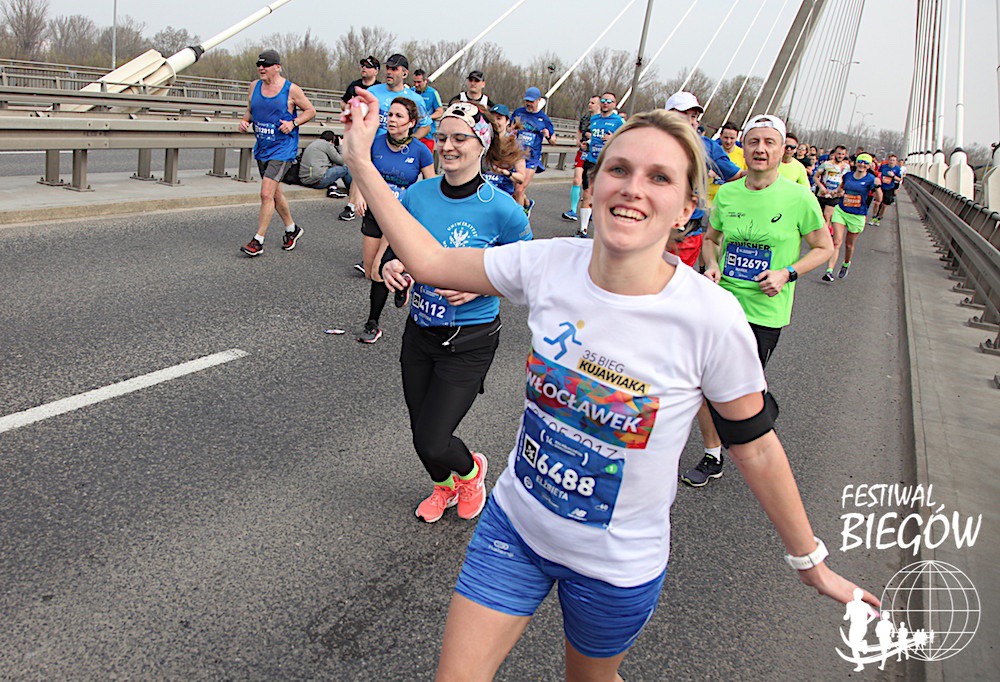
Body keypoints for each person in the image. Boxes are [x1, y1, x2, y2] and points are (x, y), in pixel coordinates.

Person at [341, 96, 878, 680]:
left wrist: (809, 560)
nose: (633, 188)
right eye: (619, 169)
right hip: (514, 528)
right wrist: (361, 161)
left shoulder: (711, 317)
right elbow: (429, 261)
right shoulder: (549, 264)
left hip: (614, 567)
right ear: (594, 187)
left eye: (660, 178)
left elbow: (756, 447)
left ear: (687, 209)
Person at [366, 99, 531, 523]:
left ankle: (471, 474)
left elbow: (526, 271)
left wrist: (480, 285)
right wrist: (393, 265)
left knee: (433, 439)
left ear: (481, 145)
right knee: (420, 434)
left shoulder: (503, 209)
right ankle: (445, 487)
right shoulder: (418, 195)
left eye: (460, 138)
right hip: (420, 332)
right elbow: (398, 247)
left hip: (470, 340)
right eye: (442, 138)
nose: (448, 147)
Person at [682, 114, 833, 487]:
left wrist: (787, 273)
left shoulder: (799, 197)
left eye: (769, 142)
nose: (760, 149)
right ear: (743, 147)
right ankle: (713, 455)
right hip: (723, 303)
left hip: (765, 310)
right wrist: (711, 265)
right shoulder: (729, 193)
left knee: (740, 388)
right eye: (753, 142)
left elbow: (824, 247)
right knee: (705, 382)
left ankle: (759, 425)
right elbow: (711, 239)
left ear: (782, 151)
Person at [356, 97, 435, 343]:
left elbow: (431, 186)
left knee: (379, 268)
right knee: (370, 270)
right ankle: (402, 281)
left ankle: (372, 323)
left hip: (399, 216)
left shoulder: (421, 151)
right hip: (374, 211)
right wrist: (358, 194)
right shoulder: (375, 143)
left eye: (399, 116)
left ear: (411, 123)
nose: (391, 120)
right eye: (390, 115)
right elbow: (360, 171)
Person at [238, 49, 316, 257]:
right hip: (263, 147)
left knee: (266, 193)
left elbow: (310, 111)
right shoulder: (254, 87)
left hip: (283, 148)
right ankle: (292, 229)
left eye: (266, 65)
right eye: (259, 65)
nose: (261, 68)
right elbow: (250, 110)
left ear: (277, 67)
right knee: (274, 192)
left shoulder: (291, 90)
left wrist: (293, 123)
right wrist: (245, 121)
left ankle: (258, 241)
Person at [338, 53, 431, 222]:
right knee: (362, 174)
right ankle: (353, 204)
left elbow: (426, 125)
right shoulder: (373, 92)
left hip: (398, 153)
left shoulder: (415, 99)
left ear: (404, 73)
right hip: (374, 147)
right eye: (388, 68)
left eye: (394, 69)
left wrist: (409, 143)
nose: (389, 72)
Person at [822, 153, 882, 281]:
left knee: (849, 245)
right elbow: (841, 189)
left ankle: (846, 263)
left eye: (865, 163)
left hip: (857, 215)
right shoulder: (848, 176)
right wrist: (834, 192)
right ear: (856, 163)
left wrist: (877, 187)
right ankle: (829, 271)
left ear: (869, 166)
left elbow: (879, 199)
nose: (862, 164)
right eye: (860, 161)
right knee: (837, 241)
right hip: (842, 211)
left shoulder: (871, 179)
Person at [576, 91, 625, 238]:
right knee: (587, 193)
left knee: (604, 197)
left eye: (609, 101)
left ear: (614, 104)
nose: (605, 104)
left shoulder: (618, 121)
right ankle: (583, 229)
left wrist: (613, 138)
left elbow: (628, 140)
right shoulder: (594, 119)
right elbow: (594, 138)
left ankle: (605, 230)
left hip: (608, 164)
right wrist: (587, 144)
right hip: (591, 160)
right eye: (603, 101)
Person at [511, 86, 555, 214]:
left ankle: (519, 219)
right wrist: (512, 131)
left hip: (532, 158)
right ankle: (527, 203)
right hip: (517, 156)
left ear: (538, 100)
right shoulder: (518, 113)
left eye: (531, 101)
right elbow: (509, 129)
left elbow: (553, 140)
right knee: (514, 190)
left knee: (519, 188)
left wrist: (547, 135)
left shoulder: (544, 119)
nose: (529, 104)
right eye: (527, 101)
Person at [563, 95, 600, 221]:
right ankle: (573, 210)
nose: (590, 105)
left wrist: (592, 138)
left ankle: (591, 208)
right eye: (589, 102)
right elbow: (579, 131)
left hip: (595, 155)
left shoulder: (602, 121)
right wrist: (578, 141)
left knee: (591, 186)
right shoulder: (585, 118)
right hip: (582, 152)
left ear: (599, 105)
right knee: (576, 180)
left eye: (593, 103)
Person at [482, 104, 527, 197]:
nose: (495, 122)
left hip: (503, 193)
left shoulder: (514, 145)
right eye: (492, 119)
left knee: (519, 192)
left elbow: (521, 178)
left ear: (507, 121)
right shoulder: (482, 141)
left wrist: (505, 172)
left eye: (499, 118)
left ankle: (523, 204)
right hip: (482, 191)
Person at [298, 131, 350, 197]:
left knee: (330, 168)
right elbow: (341, 161)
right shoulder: (327, 144)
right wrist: (341, 146)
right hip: (317, 181)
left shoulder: (314, 144)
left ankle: (333, 188)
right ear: (332, 140)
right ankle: (352, 189)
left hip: (305, 181)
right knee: (345, 168)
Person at [814, 145, 852, 234]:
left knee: (827, 216)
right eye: (839, 154)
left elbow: (847, 181)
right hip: (823, 193)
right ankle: (821, 231)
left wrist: (842, 190)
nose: (840, 156)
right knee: (820, 216)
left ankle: (824, 235)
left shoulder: (846, 167)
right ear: (835, 153)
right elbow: (815, 177)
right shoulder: (826, 164)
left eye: (842, 154)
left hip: (835, 195)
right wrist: (821, 186)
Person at [412, 69, 445, 153]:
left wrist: (428, 118)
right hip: (412, 134)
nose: (416, 85)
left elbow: (440, 111)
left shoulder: (433, 93)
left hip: (427, 135)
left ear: (425, 81)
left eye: (419, 82)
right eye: (414, 82)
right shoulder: (410, 91)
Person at [872, 153, 902, 225]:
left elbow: (899, 179)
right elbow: (878, 173)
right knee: (877, 202)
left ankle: (879, 217)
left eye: (893, 160)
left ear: (896, 162)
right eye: (891, 160)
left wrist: (893, 176)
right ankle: (874, 217)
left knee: (884, 204)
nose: (892, 162)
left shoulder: (897, 169)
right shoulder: (883, 167)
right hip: (881, 187)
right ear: (888, 160)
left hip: (889, 188)